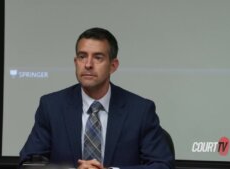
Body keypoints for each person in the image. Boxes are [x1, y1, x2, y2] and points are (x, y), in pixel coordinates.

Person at [20, 27, 175, 169]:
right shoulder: (51, 107)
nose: (88, 64)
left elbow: (162, 165)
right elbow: (28, 164)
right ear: (76, 62)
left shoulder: (140, 110)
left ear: (113, 65)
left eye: (98, 57)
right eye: (82, 56)